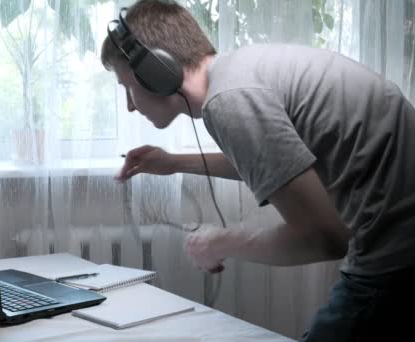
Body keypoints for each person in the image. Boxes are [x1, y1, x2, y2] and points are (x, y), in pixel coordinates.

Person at [101, 1, 415, 341]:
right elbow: (282, 158)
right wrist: (175, 162)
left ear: (155, 70)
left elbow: (324, 238)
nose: (130, 106)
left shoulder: (229, 100)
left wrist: (220, 242)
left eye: (126, 87)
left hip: (396, 255)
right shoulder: (239, 74)